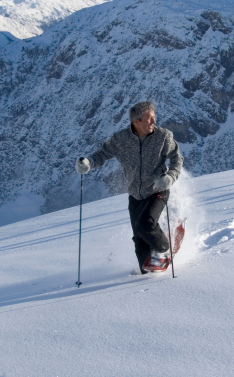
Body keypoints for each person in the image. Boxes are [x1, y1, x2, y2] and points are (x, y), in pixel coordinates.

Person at [76, 101, 183, 273]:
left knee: (145, 223)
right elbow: (102, 154)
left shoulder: (163, 136)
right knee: (139, 239)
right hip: (135, 195)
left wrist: (170, 177)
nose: (153, 122)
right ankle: (146, 272)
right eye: (149, 119)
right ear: (136, 121)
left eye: (154, 118)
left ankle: (164, 249)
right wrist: (88, 163)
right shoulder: (121, 139)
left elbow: (177, 158)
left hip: (158, 189)